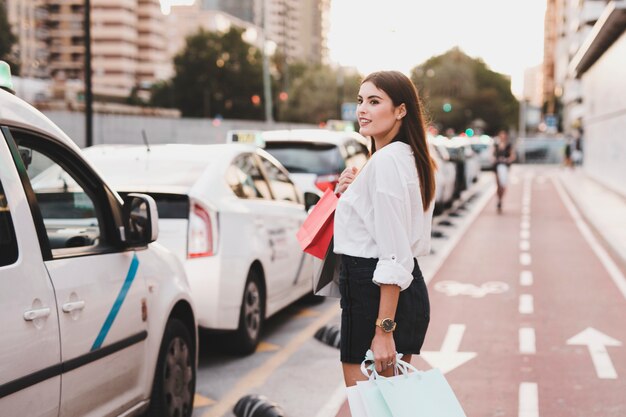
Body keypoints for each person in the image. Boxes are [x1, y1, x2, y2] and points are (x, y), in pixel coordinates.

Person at [333, 71, 437, 386]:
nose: (362, 110)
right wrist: (349, 193)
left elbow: (394, 253)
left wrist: (383, 331)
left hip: (375, 297)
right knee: (389, 405)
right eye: (360, 101)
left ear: (400, 110)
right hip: (395, 294)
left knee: (369, 405)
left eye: (374, 101)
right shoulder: (407, 157)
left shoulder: (386, 162)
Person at [492, 129, 516, 213]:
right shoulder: (496, 145)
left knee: (503, 185)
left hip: (505, 167)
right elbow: (492, 155)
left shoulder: (508, 145)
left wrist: (507, 160)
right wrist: (495, 159)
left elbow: (513, 156)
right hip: (497, 166)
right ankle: (499, 200)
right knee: (498, 184)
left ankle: (501, 199)